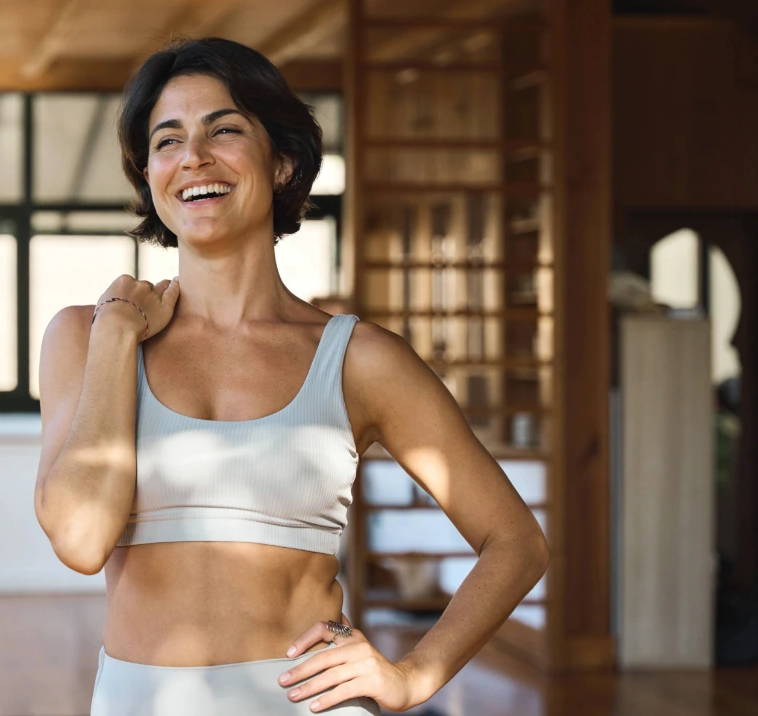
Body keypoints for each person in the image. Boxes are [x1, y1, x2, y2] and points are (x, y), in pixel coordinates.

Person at [34, 37, 549, 715]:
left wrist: (413, 675)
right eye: (167, 140)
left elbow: (515, 542)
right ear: (149, 176)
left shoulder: (359, 359)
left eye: (224, 129)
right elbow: (79, 539)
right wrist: (115, 338)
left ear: (281, 162)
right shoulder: (85, 337)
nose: (193, 156)